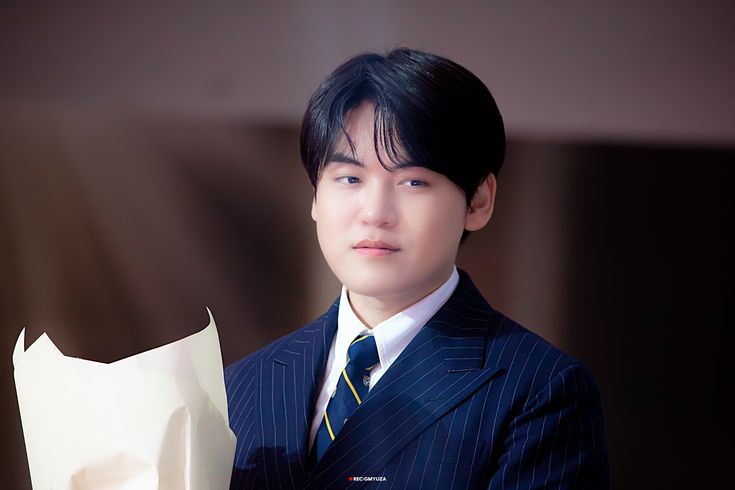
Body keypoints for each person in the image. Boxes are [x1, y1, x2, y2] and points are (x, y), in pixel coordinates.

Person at [225, 48, 609, 489]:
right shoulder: (241, 385)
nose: (375, 213)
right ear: (315, 196)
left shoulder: (540, 391)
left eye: (413, 182)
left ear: (478, 201)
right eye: (350, 178)